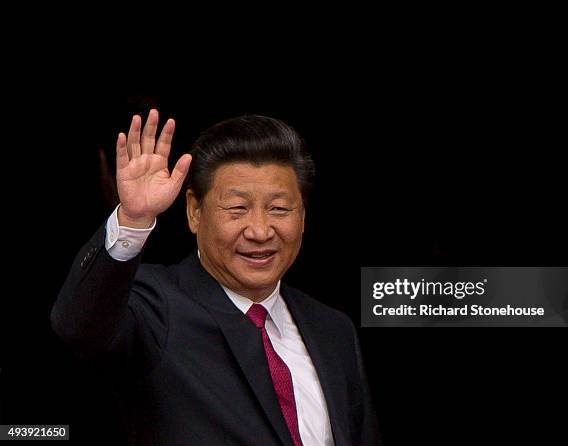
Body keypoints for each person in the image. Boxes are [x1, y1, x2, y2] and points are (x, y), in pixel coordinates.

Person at [50, 109, 381, 446]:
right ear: (195, 211)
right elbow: (79, 328)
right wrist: (133, 219)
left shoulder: (333, 330)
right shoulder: (154, 307)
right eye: (237, 208)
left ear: (303, 216)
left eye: (279, 209)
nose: (260, 230)